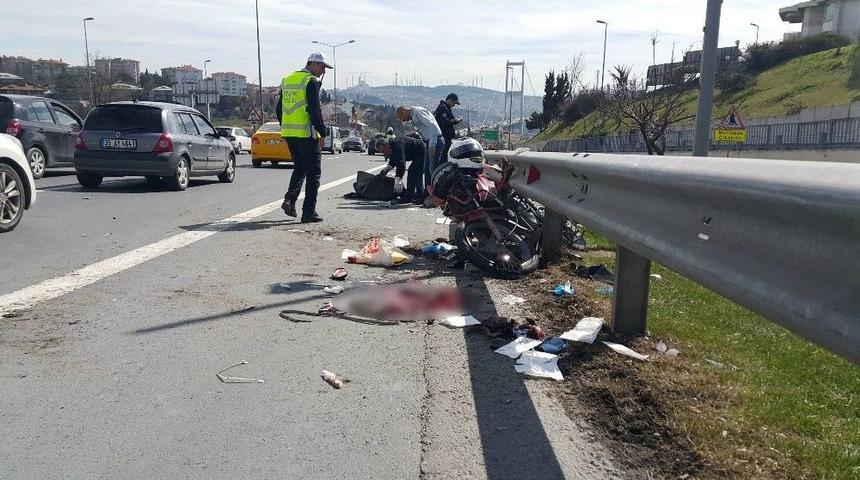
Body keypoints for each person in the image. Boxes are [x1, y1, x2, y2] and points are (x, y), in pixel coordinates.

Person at [276, 52, 331, 223]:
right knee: (313, 173)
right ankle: (308, 212)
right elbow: (315, 110)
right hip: (307, 134)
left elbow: (279, 109)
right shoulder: (310, 81)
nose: (323, 71)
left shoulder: (287, 79)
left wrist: (285, 126)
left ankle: (289, 200)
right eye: (322, 67)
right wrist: (322, 132)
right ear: (313, 64)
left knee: (300, 168)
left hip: (290, 133)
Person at [395, 105, 443, 201]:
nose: (402, 120)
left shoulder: (417, 112)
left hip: (434, 141)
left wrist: (432, 145)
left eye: (401, 117)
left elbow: (432, 126)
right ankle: (426, 195)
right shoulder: (414, 115)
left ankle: (435, 196)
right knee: (427, 170)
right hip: (428, 142)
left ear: (403, 111)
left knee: (432, 170)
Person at [378, 135, 426, 205]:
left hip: (421, 151)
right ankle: (420, 195)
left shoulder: (397, 145)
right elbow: (393, 160)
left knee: (412, 173)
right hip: (417, 152)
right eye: (381, 152)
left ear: (386, 145)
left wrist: (398, 178)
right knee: (417, 174)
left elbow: (401, 163)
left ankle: (409, 197)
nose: (383, 153)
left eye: (383, 150)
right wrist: (387, 168)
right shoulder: (391, 147)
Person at [434, 93, 462, 161]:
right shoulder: (442, 108)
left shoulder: (447, 108)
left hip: (447, 136)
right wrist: (455, 121)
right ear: (449, 100)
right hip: (444, 135)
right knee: (443, 155)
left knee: (446, 154)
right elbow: (444, 122)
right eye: (454, 103)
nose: (454, 105)